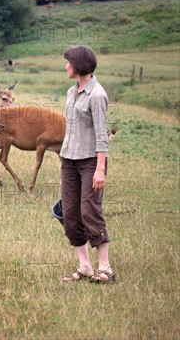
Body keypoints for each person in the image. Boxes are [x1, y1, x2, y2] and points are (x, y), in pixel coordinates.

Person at [60, 45, 115, 283]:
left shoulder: (97, 95)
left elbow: (102, 135)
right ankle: (84, 267)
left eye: (68, 62)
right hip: (69, 161)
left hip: (91, 161)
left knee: (89, 211)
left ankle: (105, 268)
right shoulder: (72, 92)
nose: (66, 66)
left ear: (79, 65)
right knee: (70, 213)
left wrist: (100, 169)